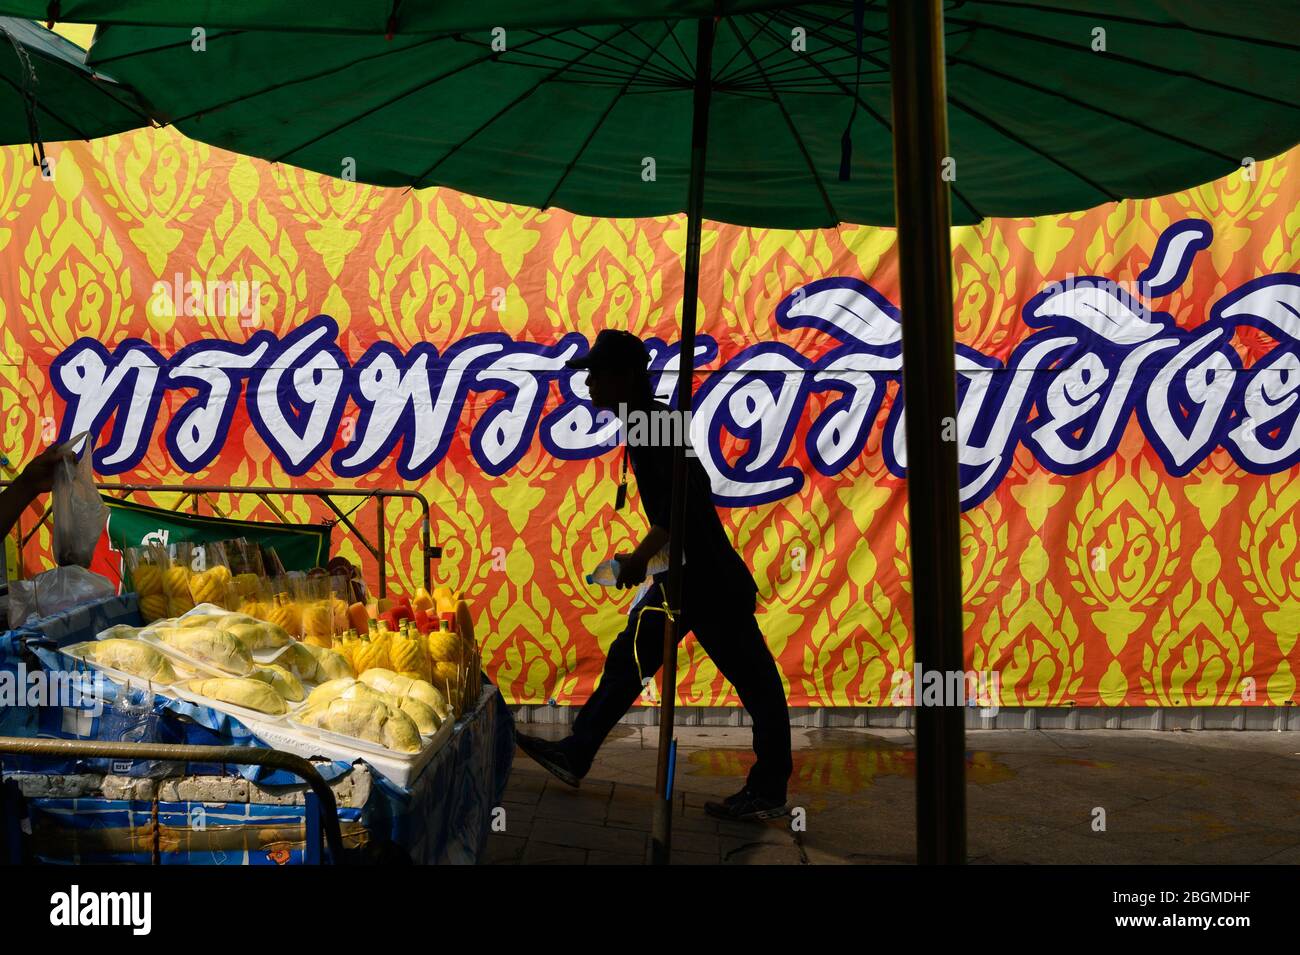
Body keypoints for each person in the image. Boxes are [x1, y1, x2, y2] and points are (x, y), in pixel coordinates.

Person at [516, 330, 793, 822]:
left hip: (705, 581)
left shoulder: (651, 424)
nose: (590, 383)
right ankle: (577, 752)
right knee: (630, 659)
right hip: (687, 575)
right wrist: (648, 559)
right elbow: (688, 496)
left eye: (598, 374)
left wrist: (642, 558)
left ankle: (769, 789)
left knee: (755, 681)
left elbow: (680, 506)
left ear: (623, 377)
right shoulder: (650, 422)